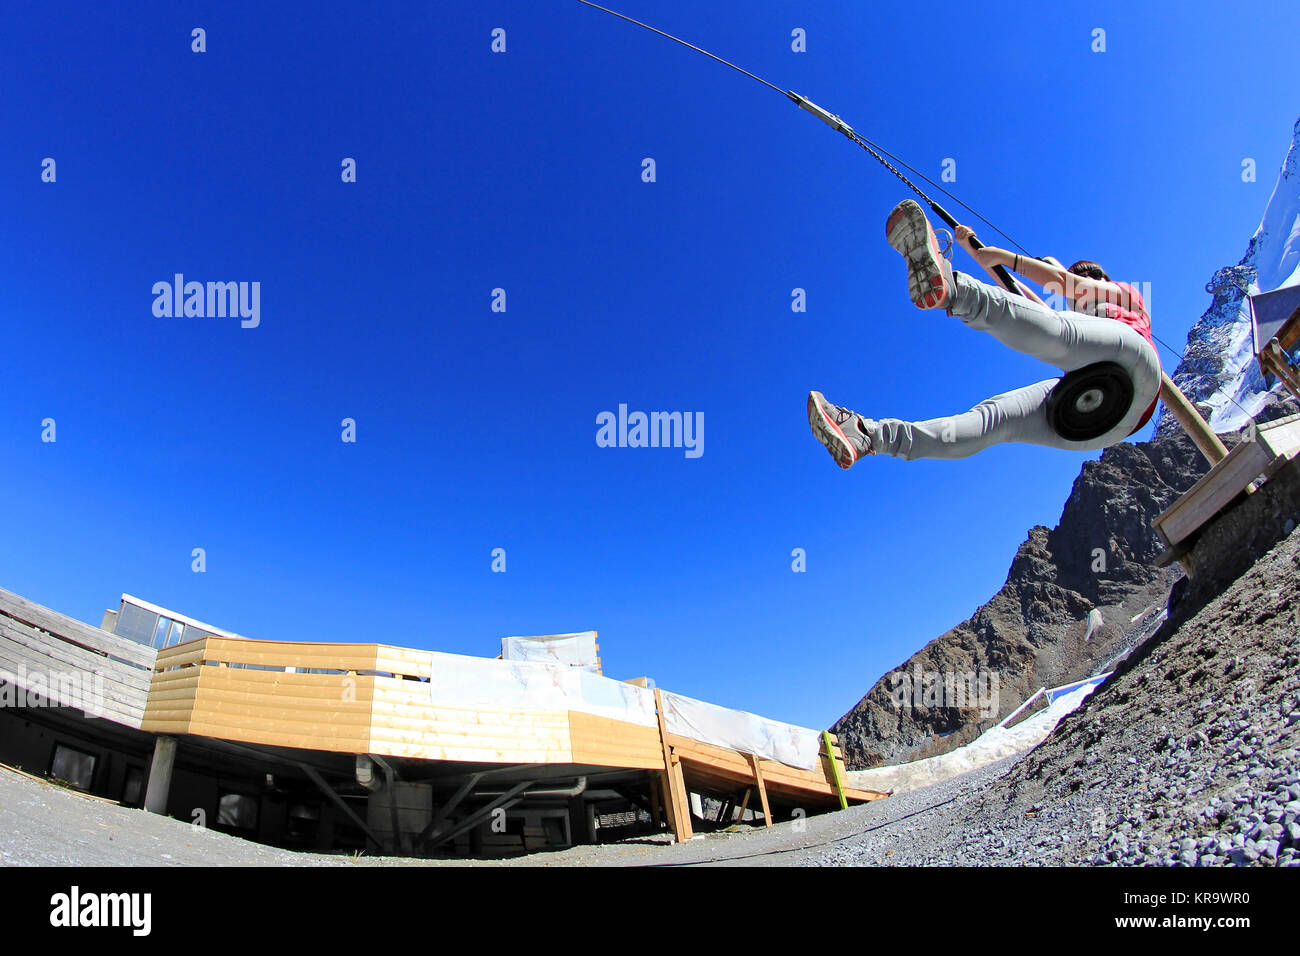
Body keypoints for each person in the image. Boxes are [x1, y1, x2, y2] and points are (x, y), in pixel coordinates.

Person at [808, 199, 1162, 467]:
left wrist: (1009, 259)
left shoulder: (1126, 295)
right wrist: (972, 246)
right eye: (1084, 272)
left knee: (1055, 331)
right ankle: (870, 436)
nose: (1088, 276)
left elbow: (1063, 283)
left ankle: (953, 291)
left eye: (1093, 273)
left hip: (1134, 364)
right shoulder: (1074, 324)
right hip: (1104, 422)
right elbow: (1022, 302)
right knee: (993, 419)